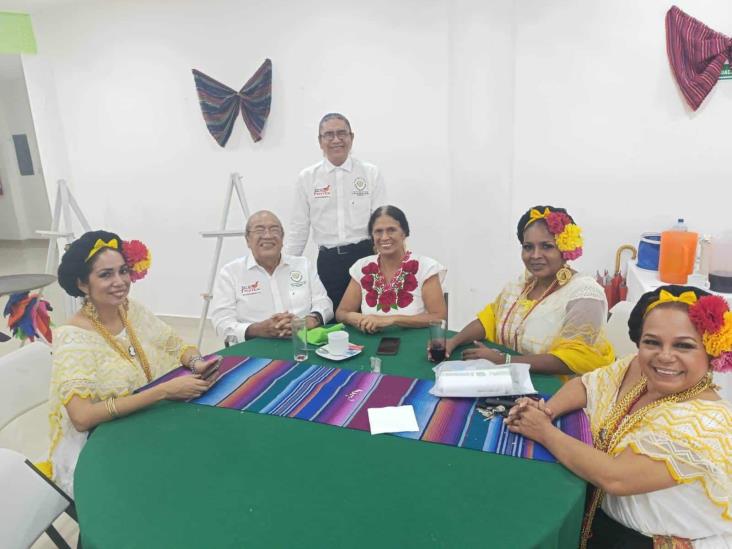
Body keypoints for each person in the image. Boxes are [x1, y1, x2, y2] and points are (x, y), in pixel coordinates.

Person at [505, 285, 732, 548]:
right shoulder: (638, 368)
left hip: (647, 541)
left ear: (711, 352)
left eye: (684, 345)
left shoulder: (706, 423)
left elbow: (616, 477)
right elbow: (586, 385)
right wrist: (546, 411)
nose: (665, 356)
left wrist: (544, 431)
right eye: (652, 342)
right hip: (601, 516)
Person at [48, 230, 219, 496]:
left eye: (123, 271)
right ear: (83, 284)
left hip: (144, 418)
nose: (120, 282)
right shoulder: (73, 338)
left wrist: (196, 362)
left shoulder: (130, 309)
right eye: (105, 275)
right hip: (99, 445)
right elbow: (82, 418)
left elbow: (174, 343)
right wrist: (165, 390)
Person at [445, 205, 614, 375]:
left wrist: (505, 361)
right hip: (512, 377)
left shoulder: (584, 293)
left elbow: (574, 358)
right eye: (528, 247)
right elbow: (491, 318)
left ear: (565, 249)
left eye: (547, 246)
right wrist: (453, 342)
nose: (535, 255)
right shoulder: (523, 284)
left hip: (560, 389)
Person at [286, 112, 386, 309]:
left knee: (371, 318)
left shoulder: (370, 173)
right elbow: (299, 227)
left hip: (366, 257)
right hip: (328, 262)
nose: (336, 140)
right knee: (332, 321)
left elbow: (382, 221)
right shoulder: (307, 178)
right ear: (320, 141)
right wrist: (287, 267)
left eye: (342, 133)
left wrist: (386, 260)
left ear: (351, 137)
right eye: (329, 135)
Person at [211, 210, 333, 342]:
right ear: (247, 239)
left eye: (274, 230)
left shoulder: (303, 265)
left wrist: (310, 320)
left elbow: (323, 301)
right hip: (254, 347)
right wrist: (258, 329)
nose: (268, 235)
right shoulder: (231, 273)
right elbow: (221, 322)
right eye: (259, 230)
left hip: (302, 343)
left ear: (282, 237)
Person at [336, 205, 447, 333]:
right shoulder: (362, 267)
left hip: (415, 343)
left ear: (404, 233)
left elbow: (439, 317)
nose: (384, 237)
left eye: (391, 230)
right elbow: (341, 313)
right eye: (378, 231)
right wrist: (356, 317)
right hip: (371, 342)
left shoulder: (426, 267)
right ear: (372, 236)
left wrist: (392, 320)